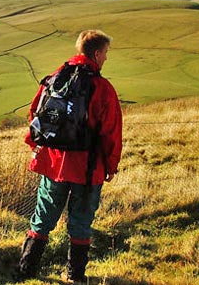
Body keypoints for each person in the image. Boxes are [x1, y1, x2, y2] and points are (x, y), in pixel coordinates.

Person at [16, 29, 123, 284]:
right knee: (81, 222)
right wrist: (111, 166)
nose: (106, 58)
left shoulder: (56, 78)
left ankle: (25, 270)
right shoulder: (103, 88)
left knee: (43, 217)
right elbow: (111, 133)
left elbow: (36, 113)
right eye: (106, 53)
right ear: (96, 54)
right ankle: (75, 276)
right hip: (88, 168)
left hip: (53, 164)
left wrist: (39, 146)